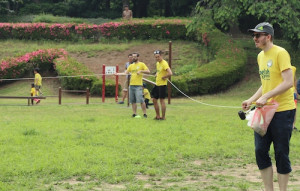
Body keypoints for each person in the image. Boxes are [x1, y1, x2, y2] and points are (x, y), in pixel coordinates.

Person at [242, 22, 295, 191]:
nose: (254, 38)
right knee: (260, 151)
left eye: (258, 35)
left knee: (281, 153)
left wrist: (267, 96)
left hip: (283, 111)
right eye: (254, 35)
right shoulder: (260, 56)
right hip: (264, 112)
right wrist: (251, 99)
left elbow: (288, 83)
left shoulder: (280, 53)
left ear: (268, 37)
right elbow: (265, 83)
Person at [115, 53, 150, 118]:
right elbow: (125, 73)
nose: (133, 58)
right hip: (131, 85)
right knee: (133, 101)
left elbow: (148, 71)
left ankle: (145, 114)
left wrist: (141, 71)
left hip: (138, 85)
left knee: (141, 100)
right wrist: (117, 74)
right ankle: (134, 113)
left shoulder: (142, 64)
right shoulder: (131, 66)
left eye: (134, 57)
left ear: (138, 57)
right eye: (132, 57)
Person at [151, 50, 172, 120]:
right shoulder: (158, 63)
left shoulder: (164, 63)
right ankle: (157, 116)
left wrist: (164, 77)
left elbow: (170, 73)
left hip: (162, 85)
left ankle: (163, 117)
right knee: (154, 99)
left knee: (161, 100)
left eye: (158, 57)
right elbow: (159, 71)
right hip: (157, 84)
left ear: (161, 56)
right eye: (156, 57)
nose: (157, 58)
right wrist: (157, 74)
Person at [291, 65, 298, 131]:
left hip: (292, 93)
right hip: (293, 92)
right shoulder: (293, 68)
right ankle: (292, 125)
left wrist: (295, 90)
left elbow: (295, 79)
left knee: (294, 109)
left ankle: (292, 125)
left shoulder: (293, 68)